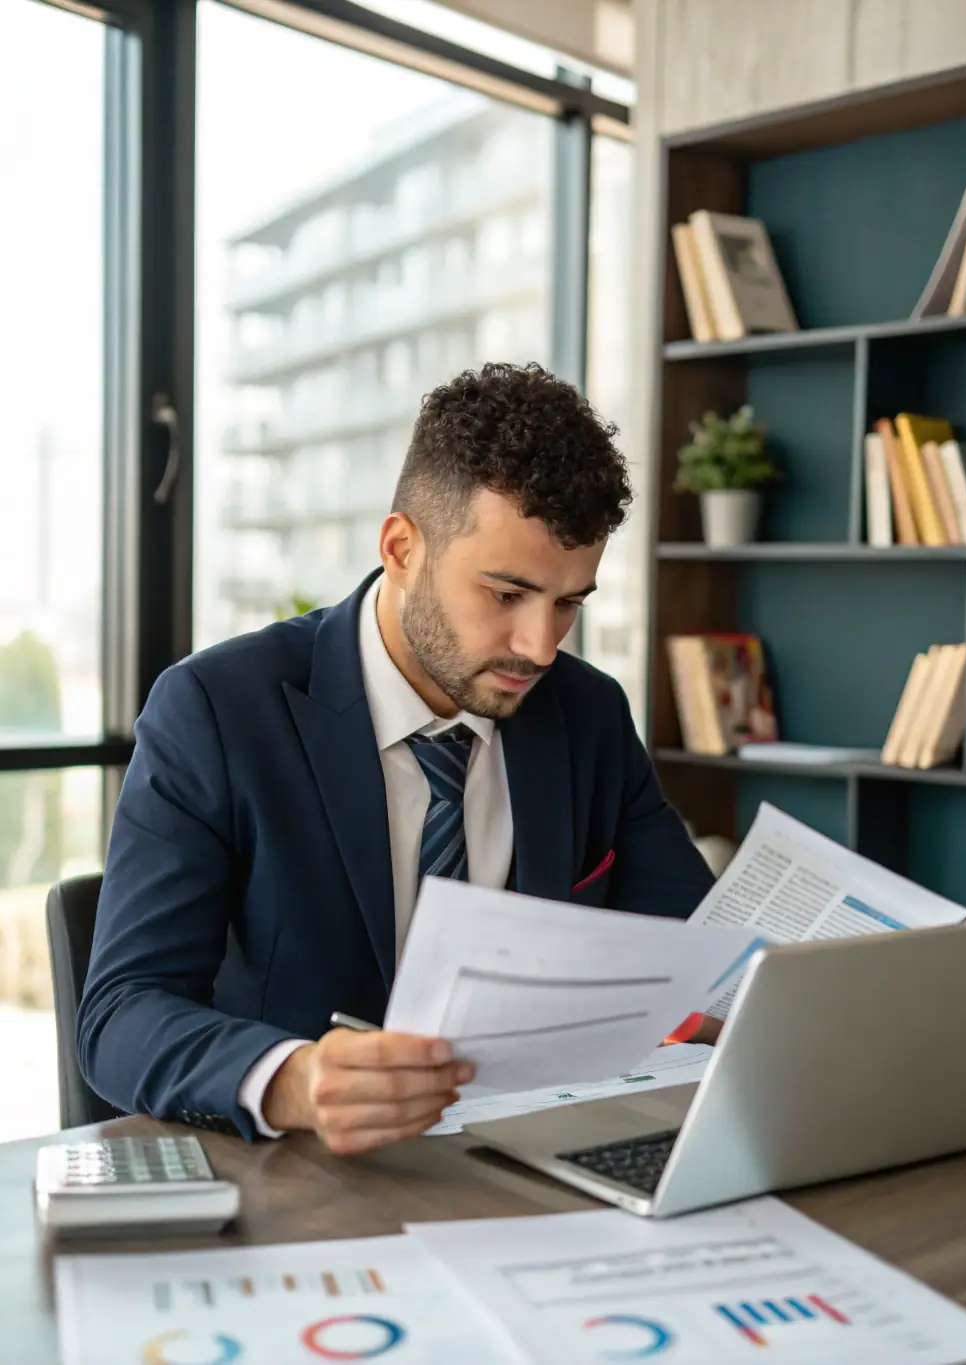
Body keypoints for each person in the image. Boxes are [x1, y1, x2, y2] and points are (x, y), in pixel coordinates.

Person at [78, 362, 716, 1153]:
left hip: (523, 1162)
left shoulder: (587, 714)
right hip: (301, 1179)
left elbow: (699, 944)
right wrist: (295, 1079)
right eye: (507, 594)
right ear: (402, 548)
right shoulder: (214, 711)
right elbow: (121, 1014)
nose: (540, 645)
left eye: (568, 603)